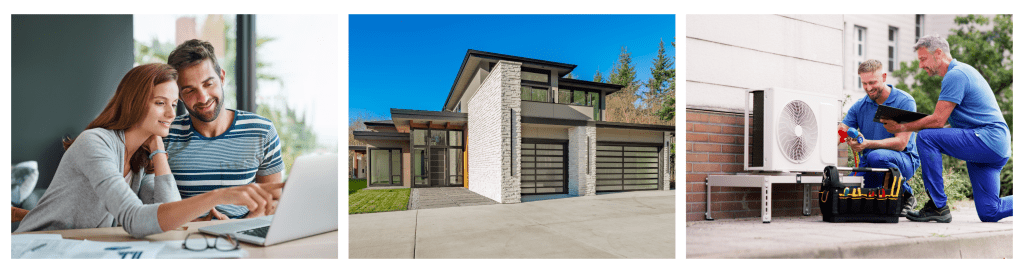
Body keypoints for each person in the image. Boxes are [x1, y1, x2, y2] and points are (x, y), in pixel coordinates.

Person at [14, 64, 283, 237]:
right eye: (159, 103)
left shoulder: (140, 161)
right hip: (34, 251)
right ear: (133, 103)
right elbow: (135, 219)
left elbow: (168, 213)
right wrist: (218, 196)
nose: (171, 113)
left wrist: (157, 147)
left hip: (77, 251)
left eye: (174, 103)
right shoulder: (94, 143)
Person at [881, 35, 1012, 223]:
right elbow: (947, 126)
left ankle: (937, 206)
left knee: (926, 137)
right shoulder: (962, 72)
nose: (920, 66)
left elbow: (937, 122)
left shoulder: (956, 74)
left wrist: (901, 126)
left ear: (939, 53)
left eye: (923, 59)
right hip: (993, 146)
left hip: (987, 138)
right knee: (990, 212)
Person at [165, 39, 284, 220]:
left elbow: (273, 200)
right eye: (190, 90)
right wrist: (198, 225)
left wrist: (235, 229)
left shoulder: (262, 131)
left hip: (243, 237)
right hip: (185, 237)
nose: (203, 98)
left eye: (208, 84)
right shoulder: (165, 135)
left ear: (221, 77)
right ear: (179, 95)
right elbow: (156, 206)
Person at [839, 59, 919, 216]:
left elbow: (901, 143)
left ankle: (906, 195)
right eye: (864, 83)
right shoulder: (860, 106)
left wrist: (867, 143)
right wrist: (844, 138)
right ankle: (884, 197)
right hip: (869, 163)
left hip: (902, 160)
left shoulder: (903, 102)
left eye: (872, 82)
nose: (868, 88)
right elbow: (841, 130)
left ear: (884, 76)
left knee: (876, 156)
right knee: (844, 194)